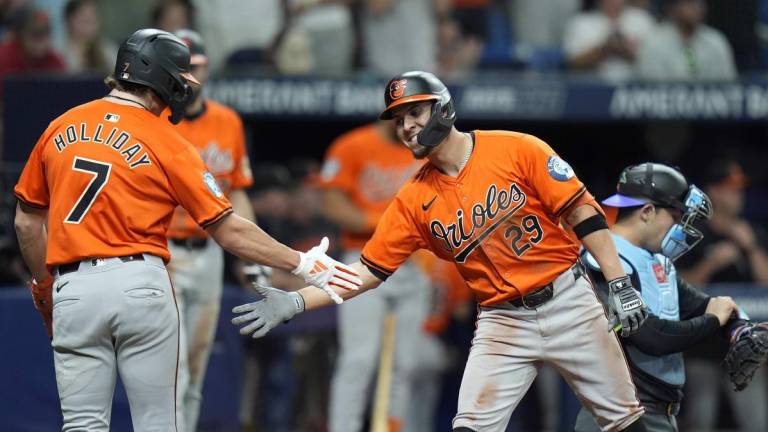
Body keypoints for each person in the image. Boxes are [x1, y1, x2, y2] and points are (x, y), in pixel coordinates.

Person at [232, 70, 650, 432]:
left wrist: (617, 280)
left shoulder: (516, 147)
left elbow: (582, 211)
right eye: (399, 120)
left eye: (415, 112)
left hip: (568, 301)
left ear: (444, 109)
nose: (407, 126)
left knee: (624, 421)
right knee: (469, 425)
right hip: (503, 321)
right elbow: (367, 271)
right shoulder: (414, 199)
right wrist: (298, 300)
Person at [13, 28, 360, 431]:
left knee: (82, 426)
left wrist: (43, 285)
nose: (183, 87)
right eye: (179, 77)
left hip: (72, 287)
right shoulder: (168, 140)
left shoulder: (60, 126)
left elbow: (26, 222)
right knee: (158, 422)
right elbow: (229, 230)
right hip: (139, 282)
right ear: (158, 75)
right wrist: (300, 262)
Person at [573, 162, 768, 432]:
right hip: (618, 417)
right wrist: (713, 321)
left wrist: (740, 330)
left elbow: (704, 304)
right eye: (675, 216)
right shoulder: (604, 260)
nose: (679, 227)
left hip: (655, 414)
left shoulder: (654, 260)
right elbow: (652, 337)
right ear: (647, 211)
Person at [162, 29, 253, 432]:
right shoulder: (157, 121)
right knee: (174, 360)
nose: (188, 76)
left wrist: (251, 256)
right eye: (182, 68)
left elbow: (238, 193)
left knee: (196, 362)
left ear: (206, 68)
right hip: (165, 250)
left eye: (194, 66)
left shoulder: (227, 121)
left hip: (210, 250)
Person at [318, 120, 431, 432]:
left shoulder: (427, 148)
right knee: (359, 359)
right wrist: (384, 221)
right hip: (363, 259)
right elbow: (331, 204)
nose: (411, 122)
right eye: (404, 113)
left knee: (405, 364)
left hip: (412, 264)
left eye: (417, 112)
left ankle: (392, 427)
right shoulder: (352, 145)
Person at [675, 159, 768, 432]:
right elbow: (673, 285)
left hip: (745, 347)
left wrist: (749, 247)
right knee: (701, 421)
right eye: (730, 189)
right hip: (702, 347)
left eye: (739, 189)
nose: (737, 195)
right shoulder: (693, 233)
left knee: (756, 423)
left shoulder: (753, 233)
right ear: (713, 192)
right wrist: (711, 264)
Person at [636, 0, 736, 81]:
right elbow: (651, 89)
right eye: (690, 2)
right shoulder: (654, 42)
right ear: (673, 8)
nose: (697, 7)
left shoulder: (716, 40)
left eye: (700, 2)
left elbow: (730, 85)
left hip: (714, 104)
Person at [563, 0, 655, 81]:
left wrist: (627, 51)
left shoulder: (643, 20)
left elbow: (656, 62)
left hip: (635, 88)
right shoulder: (581, 22)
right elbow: (571, 64)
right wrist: (604, 50)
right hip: (592, 88)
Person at [58, 0, 118, 74]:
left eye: (93, 20)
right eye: (85, 20)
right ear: (69, 21)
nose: (90, 26)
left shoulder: (107, 50)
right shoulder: (58, 52)